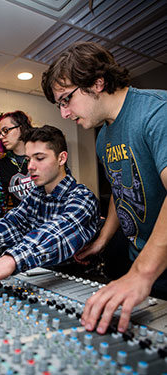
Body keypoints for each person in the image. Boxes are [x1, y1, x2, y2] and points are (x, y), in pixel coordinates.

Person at [41, 41, 167, 335]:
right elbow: (120, 194)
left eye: (66, 99)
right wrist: (102, 241)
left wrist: (140, 273)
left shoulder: (156, 112)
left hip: (151, 268)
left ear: (97, 83)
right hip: (147, 269)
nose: (65, 113)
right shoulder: (103, 139)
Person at [0, 125, 100, 300]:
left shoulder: (83, 198)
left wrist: (10, 261)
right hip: (42, 275)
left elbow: (56, 233)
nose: (30, 167)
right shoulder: (36, 195)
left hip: (78, 285)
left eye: (39, 158)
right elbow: (14, 222)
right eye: (28, 159)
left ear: (62, 158)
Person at [0, 110, 34, 225]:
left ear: (21, 128)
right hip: (22, 228)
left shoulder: (40, 156)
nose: (2, 136)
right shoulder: (2, 166)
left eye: (5, 130)